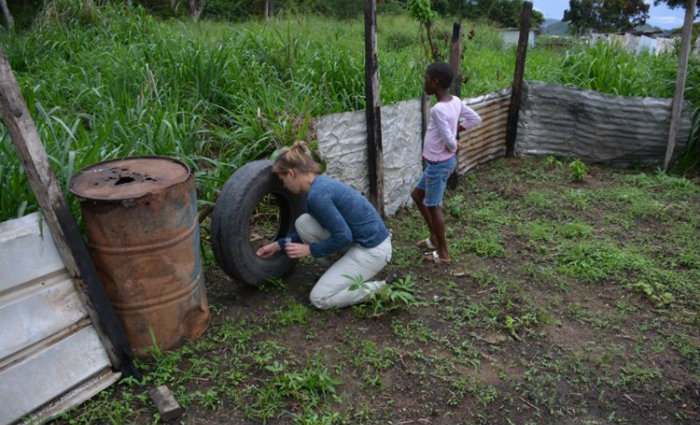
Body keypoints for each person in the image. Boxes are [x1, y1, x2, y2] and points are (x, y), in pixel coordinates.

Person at [256, 141, 393, 310]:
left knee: (320, 298)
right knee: (304, 223)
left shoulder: (318, 195)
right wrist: (278, 245)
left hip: (372, 250)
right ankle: (338, 275)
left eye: (283, 180)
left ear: (291, 173)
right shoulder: (317, 187)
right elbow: (325, 229)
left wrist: (310, 250)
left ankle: (384, 288)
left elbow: (343, 236)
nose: (284, 186)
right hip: (361, 242)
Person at [412, 62, 482, 264]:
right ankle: (434, 238)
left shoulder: (438, 110)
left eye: (426, 79)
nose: (424, 82)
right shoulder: (456, 102)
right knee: (417, 195)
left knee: (433, 206)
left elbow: (450, 142)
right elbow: (474, 119)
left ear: (435, 83)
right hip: (438, 163)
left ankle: (443, 254)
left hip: (440, 163)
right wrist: (457, 130)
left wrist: (454, 142)